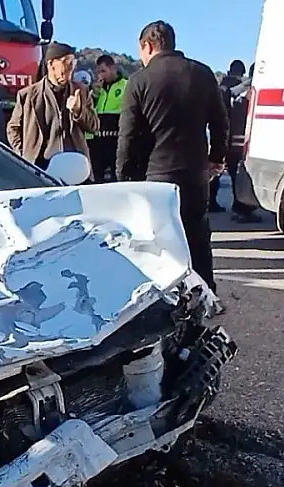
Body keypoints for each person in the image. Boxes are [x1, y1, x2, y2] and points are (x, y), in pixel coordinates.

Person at [116, 21, 228, 296]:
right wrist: (216, 159)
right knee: (197, 234)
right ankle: (205, 292)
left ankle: (168, 295)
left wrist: (124, 177)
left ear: (147, 45)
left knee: (160, 241)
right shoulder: (202, 74)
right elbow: (220, 122)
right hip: (195, 172)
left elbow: (128, 135)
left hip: (157, 175)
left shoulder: (139, 81)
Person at [6, 42, 98, 173]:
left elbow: (94, 126)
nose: (71, 67)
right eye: (66, 61)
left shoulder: (80, 91)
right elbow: (13, 128)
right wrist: (24, 154)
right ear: (51, 64)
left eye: (73, 62)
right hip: (40, 167)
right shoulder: (27, 95)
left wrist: (78, 111)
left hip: (75, 167)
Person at [208, 60, 261, 222]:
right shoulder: (245, 89)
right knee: (239, 175)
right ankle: (241, 208)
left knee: (221, 173)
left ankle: (211, 202)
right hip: (240, 140)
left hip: (226, 139)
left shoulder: (222, 88)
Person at [86, 55, 129, 183]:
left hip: (115, 138)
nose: (101, 76)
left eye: (103, 71)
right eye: (98, 72)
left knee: (117, 177)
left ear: (112, 68)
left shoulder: (125, 86)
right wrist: (94, 95)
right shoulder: (97, 90)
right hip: (98, 141)